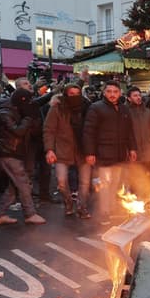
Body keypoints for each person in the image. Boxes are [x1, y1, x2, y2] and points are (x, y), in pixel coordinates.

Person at [82, 81, 138, 224]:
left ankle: (111, 209)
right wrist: (90, 153)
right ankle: (104, 213)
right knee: (104, 186)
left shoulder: (124, 109)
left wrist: (132, 148)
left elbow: (130, 131)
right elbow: (89, 132)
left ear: (120, 93)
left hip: (119, 155)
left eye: (115, 92)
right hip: (103, 154)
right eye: (109, 91)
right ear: (104, 93)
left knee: (115, 184)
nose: (112, 95)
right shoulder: (96, 108)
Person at [0, 88, 47, 224]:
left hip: (13, 151)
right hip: (7, 152)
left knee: (14, 185)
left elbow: (36, 103)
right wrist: (29, 118)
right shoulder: (5, 113)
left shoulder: (16, 108)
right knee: (23, 183)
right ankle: (30, 214)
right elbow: (18, 131)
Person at [43, 83, 92, 217]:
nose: (75, 97)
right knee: (61, 182)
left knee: (85, 183)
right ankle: (68, 202)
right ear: (66, 94)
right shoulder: (57, 108)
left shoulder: (87, 108)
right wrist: (50, 149)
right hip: (63, 150)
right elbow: (49, 130)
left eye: (77, 94)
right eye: (71, 94)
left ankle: (82, 207)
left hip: (83, 149)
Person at [125, 86, 150, 198]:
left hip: (148, 151)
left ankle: (146, 200)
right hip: (133, 151)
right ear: (129, 98)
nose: (138, 97)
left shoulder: (147, 112)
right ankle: (135, 203)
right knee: (134, 178)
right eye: (135, 95)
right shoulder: (125, 112)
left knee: (147, 177)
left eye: (139, 95)